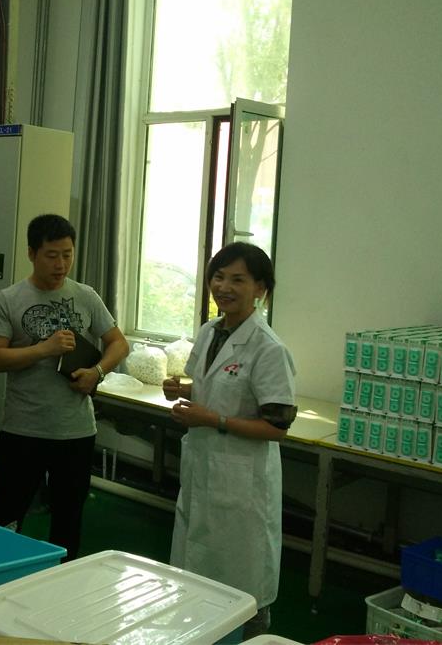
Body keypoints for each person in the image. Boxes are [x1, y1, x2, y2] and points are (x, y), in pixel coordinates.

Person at [162, 241, 297, 640]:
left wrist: (213, 419)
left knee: (243, 583)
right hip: (204, 466)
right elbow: (215, 384)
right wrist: (183, 389)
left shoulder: (269, 348)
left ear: (260, 289)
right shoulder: (210, 332)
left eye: (238, 280)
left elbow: (277, 426)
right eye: (218, 277)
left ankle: (254, 637)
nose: (224, 287)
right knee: (196, 574)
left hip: (242, 482)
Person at [0, 214, 128, 560]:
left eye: (67, 254)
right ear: (32, 253)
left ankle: (64, 581)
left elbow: (119, 343)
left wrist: (97, 372)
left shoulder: (86, 296)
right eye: (51, 255)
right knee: (8, 516)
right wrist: (43, 350)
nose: (61, 264)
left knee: (68, 519)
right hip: (24, 430)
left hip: (75, 432)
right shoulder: (8, 299)